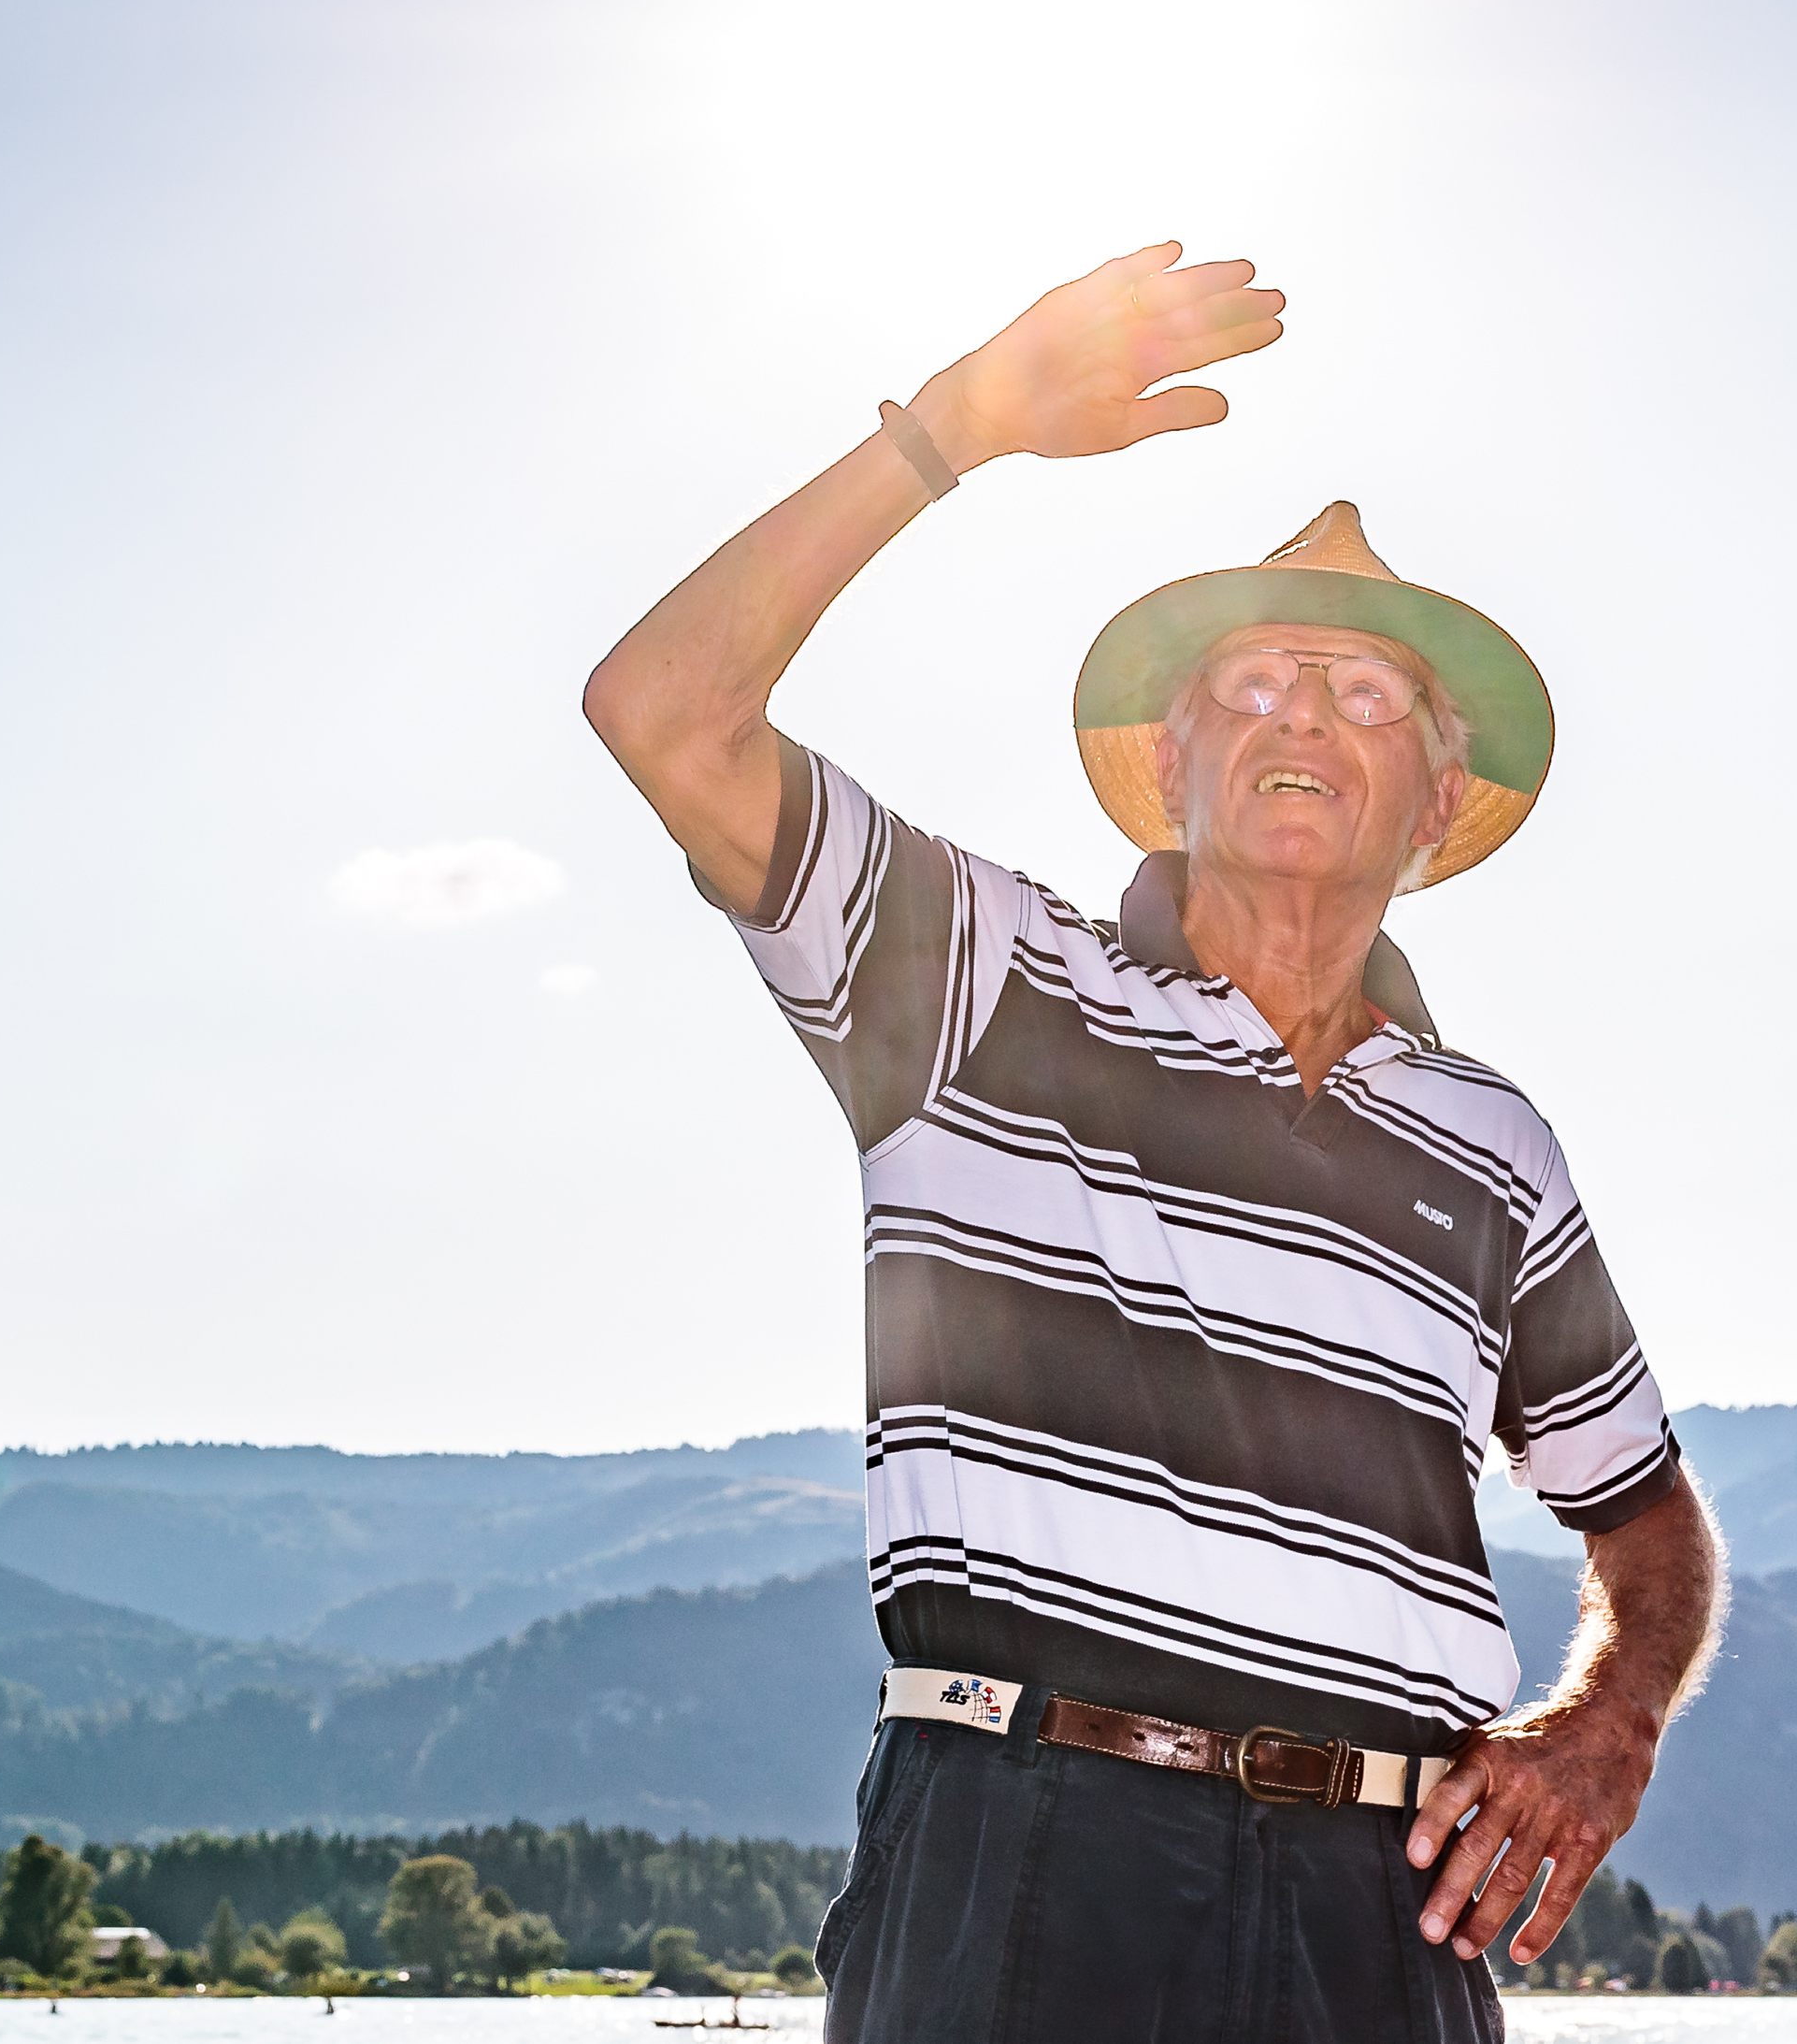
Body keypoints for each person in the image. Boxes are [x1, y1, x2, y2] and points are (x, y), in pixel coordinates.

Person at [584, 243, 1725, 2042]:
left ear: (1435, 803)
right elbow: (662, 710)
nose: (1304, 715)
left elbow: (1646, 1514)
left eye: (1365, 697)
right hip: (1029, 1860)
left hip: (1384, 1907)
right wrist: (953, 428)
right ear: (1173, 764)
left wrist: (1612, 1717)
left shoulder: (1495, 1145)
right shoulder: (979, 980)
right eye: (1254, 682)